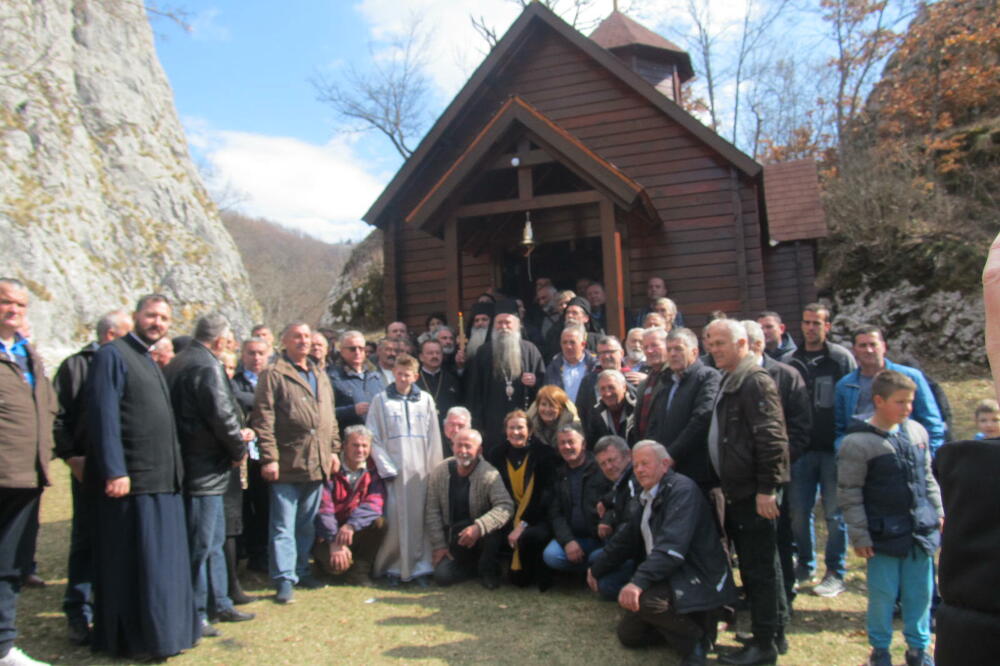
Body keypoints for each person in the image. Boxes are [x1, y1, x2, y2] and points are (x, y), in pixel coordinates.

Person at [86, 293, 200, 659]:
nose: (158, 323)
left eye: (165, 318)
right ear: (136, 316)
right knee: (140, 568)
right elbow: (104, 416)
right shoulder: (112, 356)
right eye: (152, 316)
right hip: (133, 482)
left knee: (163, 569)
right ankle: (138, 639)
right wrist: (116, 469)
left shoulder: (148, 360)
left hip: (164, 482)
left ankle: (169, 633)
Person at [588, 441, 736, 666]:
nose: (639, 470)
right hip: (670, 574)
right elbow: (626, 539)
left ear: (665, 464)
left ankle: (698, 640)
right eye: (636, 465)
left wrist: (637, 582)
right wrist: (596, 569)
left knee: (647, 602)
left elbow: (672, 550)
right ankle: (684, 624)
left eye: (645, 464)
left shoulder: (682, 490)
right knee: (629, 635)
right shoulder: (648, 494)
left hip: (696, 575)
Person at [837, 370, 942, 666]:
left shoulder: (917, 432)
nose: (907, 408)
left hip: (919, 530)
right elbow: (850, 492)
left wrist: (938, 511)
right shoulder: (857, 443)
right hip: (882, 534)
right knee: (883, 597)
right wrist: (860, 535)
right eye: (900, 402)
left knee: (921, 594)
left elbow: (928, 478)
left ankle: (918, 649)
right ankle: (880, 650)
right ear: (879, 401)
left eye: (910, 401)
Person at [164, 313, 255, 636]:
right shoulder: (205, 366)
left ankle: (220, 602)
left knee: (214, 540)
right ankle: (197, 611)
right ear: (219, 341)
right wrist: (237, 450)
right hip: (203, 468)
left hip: (198, 465)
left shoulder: (179, 361)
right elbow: (222, 415)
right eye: (229, 341)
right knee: (202, 544)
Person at [704, 318, 789, 665]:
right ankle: (774, 633)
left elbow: (772, 439)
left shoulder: (754, 381)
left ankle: (764, 644)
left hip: (756, 493)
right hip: (740, 490)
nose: (713, 349)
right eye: (710, 342)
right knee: (763, 565)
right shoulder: (732, 379)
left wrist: (768, 488)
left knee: (759, 570)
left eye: (720, 342)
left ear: (742, 344)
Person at [52, 309, 131, 646]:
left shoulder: (129, 363)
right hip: (89, 468)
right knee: (86, 539)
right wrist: (72, 457)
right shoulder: (76, 366)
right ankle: (78, 611)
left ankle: (111, 608)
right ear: (111, 336)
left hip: (126, 470)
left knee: (118, 540)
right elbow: (56, 416)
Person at [252, 322, 342, 604]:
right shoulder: (273, 373)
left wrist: (334, 450)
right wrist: (270, 457)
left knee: (305, 525)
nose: (303, 341)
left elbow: (330, 416)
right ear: (285, 341)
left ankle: (302, 570)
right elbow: (263, 419)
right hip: (287, 461)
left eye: (307, 336)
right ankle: (283, 579)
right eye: (297, 337)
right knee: (282, 525)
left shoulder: (319, 373)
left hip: (316, 461)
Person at [0, 278, 56, 666]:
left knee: (11, 564)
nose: (14, 310)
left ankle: (3, 645)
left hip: (27, 475)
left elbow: (47, 404)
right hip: (3, 471)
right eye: (6, 302)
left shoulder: (26, 354)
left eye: (20, 304)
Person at [783, 303, 857, 594]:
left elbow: (852, 400)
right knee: (799, 512)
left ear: (827, 326)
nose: (811, 327)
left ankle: (835, 572)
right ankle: (805, 564)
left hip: (834, 450)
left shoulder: (840, 359)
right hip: (801, 450)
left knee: (835, 513)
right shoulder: (791, 360)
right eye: (806, 322)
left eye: (817, 322)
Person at [743, 320, 812, 608]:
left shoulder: (785, 375)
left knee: (778, 539)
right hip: (744, 477)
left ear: (756, 346)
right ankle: (757, 596)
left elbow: (799, 430)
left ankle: (784, 595)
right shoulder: (732, 377)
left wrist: (776, 465)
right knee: (752, 543)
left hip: (777, 476)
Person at [366, 353, 443, 585]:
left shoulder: (426, 400)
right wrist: (386, 467)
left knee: (420, 520)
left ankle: (420, 567)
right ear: (393, 374)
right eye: (398, 374)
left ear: (415, 376)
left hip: (420, 472)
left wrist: (434, 469)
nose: (402, 378)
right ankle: (393, 567)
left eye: (407, 375)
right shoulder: (381, 400)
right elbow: (373, 436)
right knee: (396, 520)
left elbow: (433, 437)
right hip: (394, 472)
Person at [631, 328, 720, 489]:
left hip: (698, 472)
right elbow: (655, 422)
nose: (672, 354)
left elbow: (701, 420)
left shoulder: (708, 377)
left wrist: (672, 454)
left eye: (678, 349)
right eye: (669, 349)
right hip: (667, 470)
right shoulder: (667, 381)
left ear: (694, 351)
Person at [835, 326, 945, 455]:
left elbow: (931, 421)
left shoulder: (910, 377)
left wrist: (929, 455)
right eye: (863, 346)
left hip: (905, 452)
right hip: (862, 456)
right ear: (854, 351)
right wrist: (843, 450)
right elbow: (840, 428)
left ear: (884, 347)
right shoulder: (845, 385)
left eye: (873, 344)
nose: (869, 350)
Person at [426, 429, 513, 589]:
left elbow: (505, 506)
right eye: (459, 446)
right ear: (452, 447)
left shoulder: (490, 474)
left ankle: (488, 569)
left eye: (468, 446)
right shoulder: (440, 471)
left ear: (479, 450)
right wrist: (439, 546)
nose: (463, 451)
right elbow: (432, 511)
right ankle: (473, 568)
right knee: (442, 577)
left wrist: (479, 527)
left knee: (492, 532)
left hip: (482, 537)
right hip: (456, 538)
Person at [486, 410, 559, 589]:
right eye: (512, 428)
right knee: (491, 533)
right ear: (505, 430)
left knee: (532, 537)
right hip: (507, 513)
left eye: (520, 427)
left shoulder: (544, 455)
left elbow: (544, 496)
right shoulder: (496, 454)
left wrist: (523, 524)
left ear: (530, 430)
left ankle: (539, 573)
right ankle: (489, 574)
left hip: (536, 516)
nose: (516, 432)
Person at [466, 303, 545, 454]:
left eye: (508, 323)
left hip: (524, 424)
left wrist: (535, 382)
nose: (503, 327)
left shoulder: (530, 350)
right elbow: (474, 392)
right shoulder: (483, 352)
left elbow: (544, 384)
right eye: (499, 323)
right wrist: (478, 426)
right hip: (492, 427)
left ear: (518, 326)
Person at [312, 425, 387, 584]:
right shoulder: (330, 469)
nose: (360, 450)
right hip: (327, 534)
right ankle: (321, 565)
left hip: (353, 530)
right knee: (336, 569)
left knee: (380, 523)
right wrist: (334, 540)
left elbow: (374, 504)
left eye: (364, 446)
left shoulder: (373, 471)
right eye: (355, 445)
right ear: (344, 446)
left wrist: (351, 526)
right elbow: (324, 509)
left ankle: (359, 572)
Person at [542, 425, 612, 578]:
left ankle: (594, 567)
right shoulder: (559, 473)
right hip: (575, 537)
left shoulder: (601, 468)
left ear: (584, 444)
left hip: (601, 538)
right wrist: (568, 542)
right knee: (551, 556)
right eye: (562, 443)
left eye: (571, 442)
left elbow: (616, 500)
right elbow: (555, 513)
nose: (567, 447)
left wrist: (607, 520)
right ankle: (591, 570)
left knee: (601, 556)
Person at [231, 337, 271, 574]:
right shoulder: (235, 382)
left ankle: (263, 555)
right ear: (243, 355)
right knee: (247, 506)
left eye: (260, 353)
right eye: (251, 353)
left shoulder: (274, 379)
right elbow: (237, 399)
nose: (256, 358)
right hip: (244, 457)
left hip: (268, 452)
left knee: (267, 506)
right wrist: (266, 403)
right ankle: (248, 553)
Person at [589, 435, 637, 600]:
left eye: (612, 460)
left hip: (639, 551)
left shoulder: (635, 480)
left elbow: (629, 532)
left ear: (628, 455)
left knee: (606, 585)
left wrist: (596, 569)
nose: (608, 467)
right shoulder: (621, 482)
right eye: (603, 464)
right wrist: (606, 504)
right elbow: (615, 496)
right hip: (627, 545)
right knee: (595, 558)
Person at [328, 330, 384, 436]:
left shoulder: (375, 376)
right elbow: (325, 412)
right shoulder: (332, 377)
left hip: (376, 438)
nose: (357, 352)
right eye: (352, 349)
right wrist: (352, 410)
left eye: (361, 348)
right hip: (349, 440)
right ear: (342, 351)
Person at [416, 338, 463, 450]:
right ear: (421, 357)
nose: (435, 356)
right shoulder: (414, 380)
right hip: (422, 434)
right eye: (430, 353)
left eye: (438, 353)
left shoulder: (452, 378)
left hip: (449, 435)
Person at [576, 335, 629, 427]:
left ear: (622, 353)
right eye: (602, 353)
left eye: (610, 352)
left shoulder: (633, 378)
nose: (606, 356)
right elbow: (581, 412)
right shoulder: (588, 382)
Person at [542, 324, 597, 403]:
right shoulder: (553, 368)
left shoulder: (594, 365)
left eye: (572, 342)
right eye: (564, 342)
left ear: (583, 345)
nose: (568, 346)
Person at [585, 371, 634, 445]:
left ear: (624, 387)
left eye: (611, 387)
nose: (607, 393)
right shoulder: (596, 413)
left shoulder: (636, 409)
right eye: (602, 389)